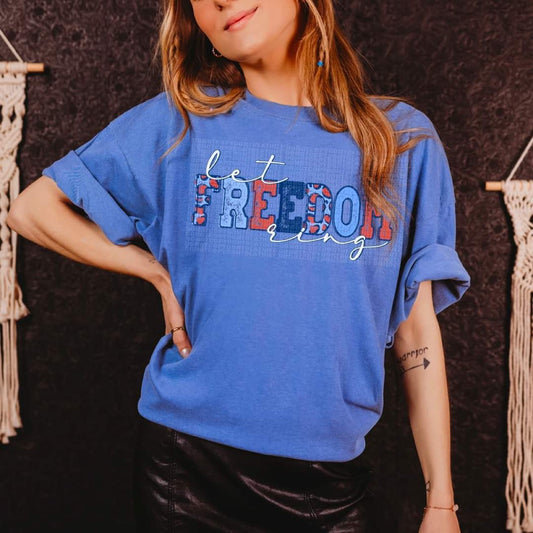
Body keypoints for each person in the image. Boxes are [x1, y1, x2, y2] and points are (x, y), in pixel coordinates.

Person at [7, 0, 470, 531]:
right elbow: (31, 209)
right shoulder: (181, 123)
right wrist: (151, 270)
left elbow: (416, 330)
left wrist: (441, 502)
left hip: (331, 484)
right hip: (189, 470)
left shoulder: (400, 140)